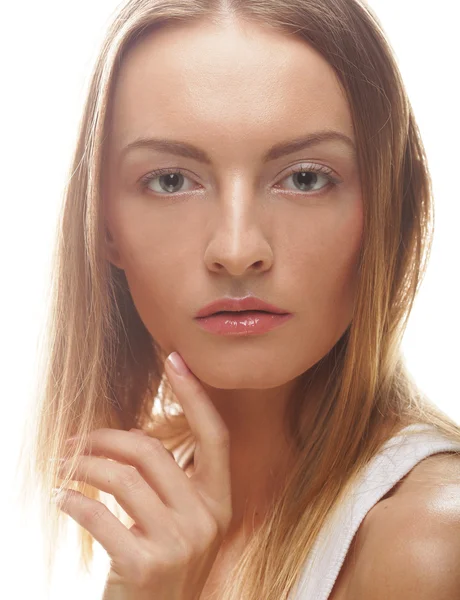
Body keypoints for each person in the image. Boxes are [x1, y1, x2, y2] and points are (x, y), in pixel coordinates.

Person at [15, 0, 460, 599]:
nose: (236, 248)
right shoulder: (160, 509)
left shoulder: (428, 542)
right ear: (105, 227)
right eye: (171, 180)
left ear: (392, 211)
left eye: (305, 178)